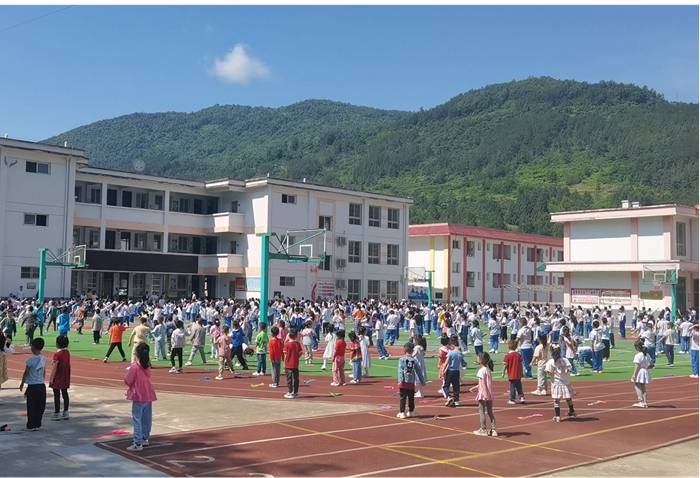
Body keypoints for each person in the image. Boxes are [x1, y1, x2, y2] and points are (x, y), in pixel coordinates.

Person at [124, 342, 157, 451]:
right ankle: (144, 438)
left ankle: (137, 443)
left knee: (137, 418)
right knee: (146, 418)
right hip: (148, 392)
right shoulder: (146, 365)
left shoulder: (135, 366)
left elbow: (128, 380)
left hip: (139, 394)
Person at [19, 337, 47, 430]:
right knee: (40, 406)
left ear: (33, 348)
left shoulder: (30, 360)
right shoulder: (44, 358)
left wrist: (22, 383)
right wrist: (42, 379)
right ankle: (37, 424)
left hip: (32, 386)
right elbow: (44, 371)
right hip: (41, 386)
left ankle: (31, 424)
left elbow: (26, 372)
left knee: (31, 406)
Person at [545, 345, 576, 423]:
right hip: (565, 381)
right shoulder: (565, 360)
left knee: (556, 400)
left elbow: (548, 372)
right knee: (568, 398)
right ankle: (572, 411)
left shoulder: (551, 362)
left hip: (556, 382)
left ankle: (558, 416)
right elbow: (570, 369)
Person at [396, 342, 424, 419]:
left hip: (403, 382)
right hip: (411, 382)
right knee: (411, 398)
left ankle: (402, 412)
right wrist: (422, 381)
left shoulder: (401, 359)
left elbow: (400, 371)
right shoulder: (414, 360)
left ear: (404, 350)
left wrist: (400, 380)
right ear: (412, 351)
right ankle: (411, 411)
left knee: (403, 397)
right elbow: (419, 371)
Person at [472, 352, 497, 437]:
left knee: (482, 411)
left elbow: (483, 384)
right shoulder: (488, 369)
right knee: (490, 412)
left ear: (482, 360)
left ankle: (483, 429)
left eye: (478, 357)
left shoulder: (481, 371)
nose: (477, 358)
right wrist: (475, 387)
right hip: (489, 394)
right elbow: (484, 382)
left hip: (484, 395)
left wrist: (485, 394)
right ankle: (493, 430)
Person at [49, 335, 71, 420]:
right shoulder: (67, 353)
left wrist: (51, 378)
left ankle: (57, 413)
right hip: (65, 375)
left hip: (58, 376)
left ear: (57, 343)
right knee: (65, 393)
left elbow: (54, 367)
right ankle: (66, 412)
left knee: (57, 394)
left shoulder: (57, 354)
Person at [502, 339, 525, 404]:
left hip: (512, 374)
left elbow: (505, 365)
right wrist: (522, 372)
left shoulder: (507, 356)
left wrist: (503, 372)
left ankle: (512, 399)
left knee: (512, 387)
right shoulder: (518, 355)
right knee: (519, 386)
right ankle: (521, 397)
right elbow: (521, 364)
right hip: (518, 374)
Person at [631, 339, 653, 407]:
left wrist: (634, 375)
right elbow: (651, 365)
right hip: (645, 371)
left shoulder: (638, 355)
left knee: (637, 386)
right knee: (643, 387)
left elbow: (637, 366)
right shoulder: (647, 354)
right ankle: (645, 402)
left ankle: (641, 401)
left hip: (640, 372)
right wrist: (646, 367)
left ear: (637, 347)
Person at [283, 328, 302, 399]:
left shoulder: (287, 345)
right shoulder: (297, 344)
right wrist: (297, 358)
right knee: (296, 378)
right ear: (296, 335)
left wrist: (284, 363)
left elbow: (285, 355)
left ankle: (290, 392)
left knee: (289, 379)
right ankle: (295, 392)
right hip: (295, 364)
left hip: (288, 364)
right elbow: (300, 353)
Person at [442, 341, 463, 407]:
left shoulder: (451, 353)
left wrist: (443, 370)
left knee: (446, 386)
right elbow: (463, 363)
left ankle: (449, 397)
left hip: (450, 371)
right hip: (457, 371)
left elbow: (446, 362)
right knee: (456, 386)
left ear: (453, 345)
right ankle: (456, 400)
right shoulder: (460, 353)